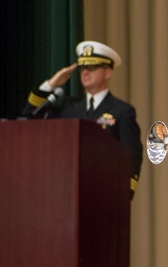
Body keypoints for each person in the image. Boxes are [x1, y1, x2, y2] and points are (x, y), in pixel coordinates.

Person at [23, 40, 143, 197]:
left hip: (104, 194)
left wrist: (125, 192)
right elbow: (30, 116)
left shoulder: (122, 111)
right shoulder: (67, 106)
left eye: (92, 68)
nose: (85, 72)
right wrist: (51, 85)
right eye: (83, 68)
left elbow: (131, 155)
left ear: (108, 72)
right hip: (65, 192)